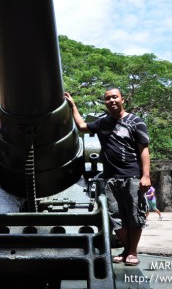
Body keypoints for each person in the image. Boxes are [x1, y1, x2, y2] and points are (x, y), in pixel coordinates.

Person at [64, 88, 150, 266]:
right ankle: (127, 250)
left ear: (122, 99)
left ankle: (132, 251)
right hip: (110, 178)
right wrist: (73, 106)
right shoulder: (103, 123)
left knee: (134, 215)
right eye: (108, 98)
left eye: (115, 97)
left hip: (131, 175)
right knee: (116, 217)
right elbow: (82, 127)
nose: (111, 100)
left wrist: (146, 176)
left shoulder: (136, 122)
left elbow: (144, 150)